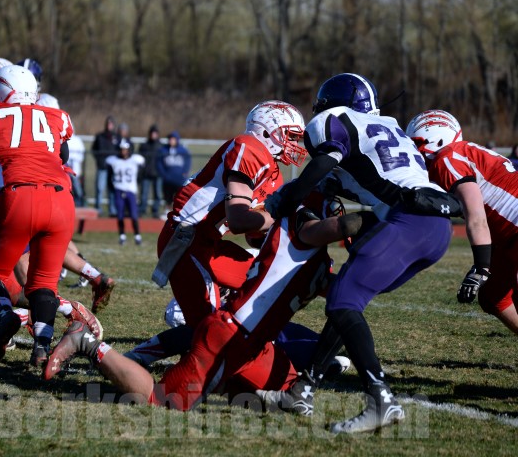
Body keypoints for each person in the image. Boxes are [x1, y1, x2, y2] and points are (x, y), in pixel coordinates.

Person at [259, 73, 461, 434]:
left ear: (332, 103)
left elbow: (322, 165)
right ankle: (302, 389)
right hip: (436, 227)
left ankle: (380, 400)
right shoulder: (391, 129)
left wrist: (286, 200)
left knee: (342, 302)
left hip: (409, 220)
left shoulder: (335, 121)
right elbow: (358, 176)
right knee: (348, 300)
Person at [43, 190, 361, 410]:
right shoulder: (297, 234)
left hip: (255, 346)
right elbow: (342, 226)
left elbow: (347, 291)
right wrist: (380, 223)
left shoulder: (314, 259)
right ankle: (86, 342)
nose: (336, 214)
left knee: (287, 393)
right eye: (329, 210)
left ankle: (218, 381)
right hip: (229, 336)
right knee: (163, 400)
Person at [125, 101, 307, 364]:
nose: (293, 143)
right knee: (212, 331)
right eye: (289, 135)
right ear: (267, 130)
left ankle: (217, 303)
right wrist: (282, 217)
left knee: (264, 281)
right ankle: (137, 356)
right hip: (186, 240)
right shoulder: (248, 147)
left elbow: (252, 234)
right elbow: (239, 220)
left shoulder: (274, 173)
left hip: (209, 244)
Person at [0, 65, 75, 367]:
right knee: (44, 282)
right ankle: (42, 347)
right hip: (62, 200)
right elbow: (63, 154)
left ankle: (3, 315)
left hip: (19, 196)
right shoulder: (58, 116)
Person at [407, 109, 518, 334]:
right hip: (506, 235)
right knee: (494, 296)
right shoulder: (460, 154)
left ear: (437, 140)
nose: (413, 150)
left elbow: (476, 215)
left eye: (416, 143)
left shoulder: (446, 159)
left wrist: (481, 267)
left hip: (513, 230)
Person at [106, 139, 145, 245]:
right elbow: (109, 177)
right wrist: (112, 188)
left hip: (131, 190)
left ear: (129, 150)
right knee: (120, 215)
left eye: (125, 149)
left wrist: (137, 182)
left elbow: (141, 174)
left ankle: (137, 236)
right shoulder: (114, 161)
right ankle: (122, 236)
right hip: (119, 190)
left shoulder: (135, 160)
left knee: (134, 214)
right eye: (122, 149)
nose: (123, 151)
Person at [156, 131, 192, 213]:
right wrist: (164, 175)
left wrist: (184, 173)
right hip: (167, 179)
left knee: (180, 197)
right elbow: (159, 163)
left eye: (173, 139)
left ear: (177, 140)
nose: (171, 141)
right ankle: (167, 212)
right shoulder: (163, 150)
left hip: (179, 179)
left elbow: (187, 163)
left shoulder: (183, 150)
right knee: (167, 198)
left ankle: (179, 213)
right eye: (170, 139)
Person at [92, 116, 118, 216]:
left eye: (111, 123)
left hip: (113, 169)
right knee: (100, 188)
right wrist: (99, 160)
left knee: (112, 189)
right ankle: (98, 209)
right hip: (102, 167)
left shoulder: (117, 137)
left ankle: (112, 210)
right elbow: (94, 149)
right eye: (108, 123)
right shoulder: (100, 136)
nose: (109, 125)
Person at [138, 124, 163, 218]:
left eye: (155, 133)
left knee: (158, 194)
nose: (153, 135)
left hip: (157, 174)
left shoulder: (161, 146)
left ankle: (155, 210)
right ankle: (142, 210)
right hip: (146, 174)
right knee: (144, 194)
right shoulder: (144, 146)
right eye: (152, 133)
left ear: (158, 134)